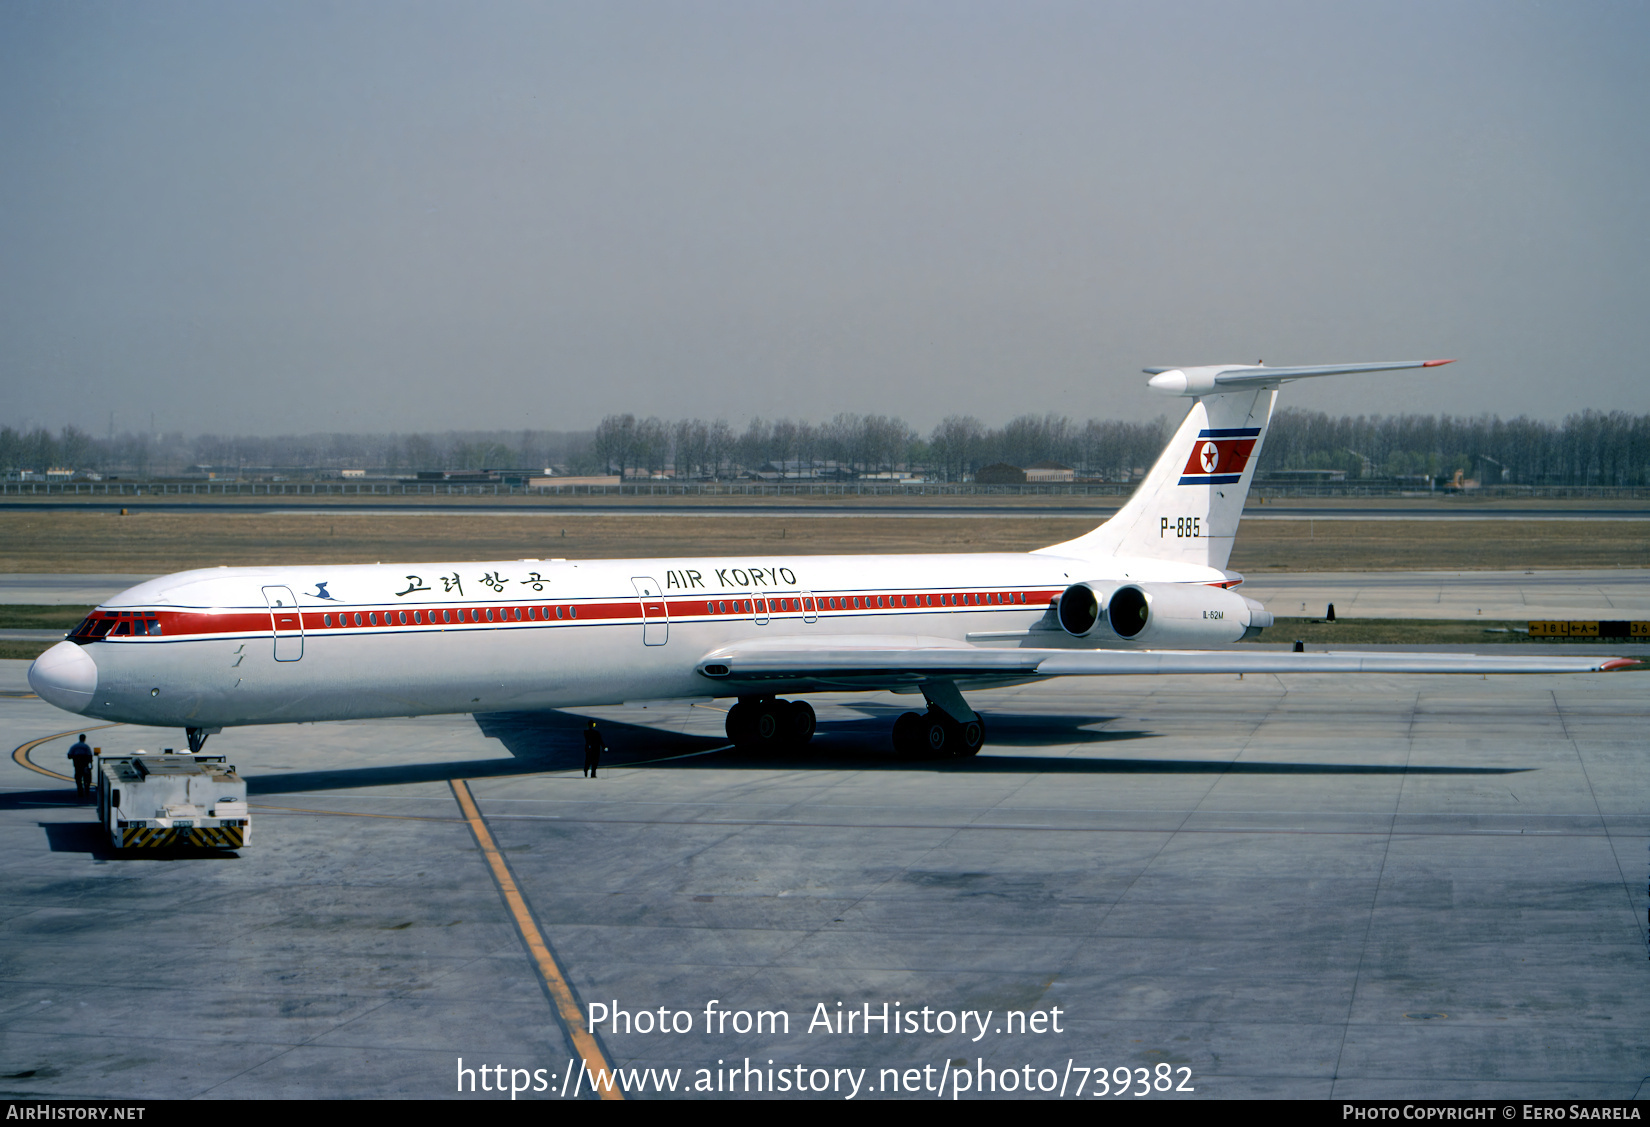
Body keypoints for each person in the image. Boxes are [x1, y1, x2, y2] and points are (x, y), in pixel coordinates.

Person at [66, 734, 94, 800]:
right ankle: (87, 789)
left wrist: (75, 757)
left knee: (78, 778)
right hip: (84, 764)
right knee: (87, 777)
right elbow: (90, 755)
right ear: (84, 739)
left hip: (77, 764)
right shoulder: (86, 746)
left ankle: (80, 790)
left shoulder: (74, 746)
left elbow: (69, 755)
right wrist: (91, 763)